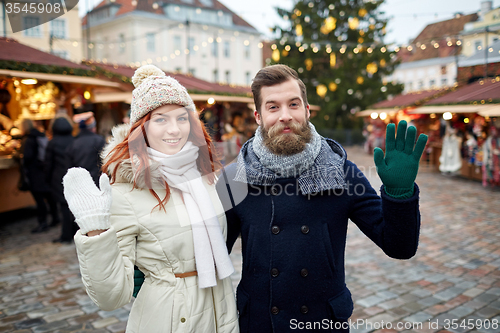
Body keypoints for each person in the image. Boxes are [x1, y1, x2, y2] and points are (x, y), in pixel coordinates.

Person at [215, 64, 428, 332]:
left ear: (306, 110)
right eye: (273, 107)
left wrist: (400, 193)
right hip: (259, 323)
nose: (285, 116)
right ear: (258, 116)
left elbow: (400, 247)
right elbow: (211, 256)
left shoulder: (340, 171)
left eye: (293, 104)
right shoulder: (235, 178)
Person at [62, 65, 239, 333]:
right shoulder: (126, 192)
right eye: (160, 119)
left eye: (182, 118)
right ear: (141, 128)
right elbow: (111, 297)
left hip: (221, 312)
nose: (174, 129)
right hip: (169, 321)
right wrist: (96, 230)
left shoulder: (204, 178)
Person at [19, 118, 60, 233]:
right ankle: (55, 218)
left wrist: (19, 156)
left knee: (39, 200)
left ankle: (43, 223)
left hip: (35, 172)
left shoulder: (29, 139)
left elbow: (27, 157)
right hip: (44, 170)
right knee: (49, 196)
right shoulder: (41, 135)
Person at [45, 115, 76, 244]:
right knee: (75, 206)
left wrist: (47, 179)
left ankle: (66, 235)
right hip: (74, 176)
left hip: (59, 178)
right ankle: (76, 231)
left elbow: (48, 163)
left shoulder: (52, 142)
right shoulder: (74, 140)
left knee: (64, 207)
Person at [66, 111, 106, 185]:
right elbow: (104, 162)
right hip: (97, 181)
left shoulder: (73, 143)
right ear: (93, 127)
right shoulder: (99, 140)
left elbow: (69, 166)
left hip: (80, 183)